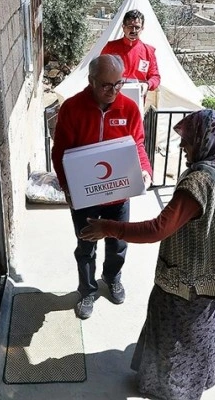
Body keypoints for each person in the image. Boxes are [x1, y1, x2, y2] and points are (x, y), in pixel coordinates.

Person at [80, 109, 215, 400]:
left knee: (174, 336)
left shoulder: (198, 184)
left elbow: (157, 229)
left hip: (184, 281)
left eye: (187, 142)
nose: (182, 148)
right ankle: (199, 381)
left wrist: (108, 228)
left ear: (204, 142)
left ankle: (173, 391)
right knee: (202, 332)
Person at [52, 54, 153, 320]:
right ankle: (87, 290)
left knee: (118, 242)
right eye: (105, 85)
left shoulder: (129, 108)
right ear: (91, 81)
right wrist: (67, 187)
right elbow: (60, 151)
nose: (113, 91)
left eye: (118, 84)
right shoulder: (72, 108)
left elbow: (138, 145)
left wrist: (144, 171)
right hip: (85, 196)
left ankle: (112, 277)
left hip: (118, 195)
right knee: (86, 245)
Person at [100, 9, 160, 96]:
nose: (134, 30)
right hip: (112, 97)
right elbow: (99, 71)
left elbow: (155, 76)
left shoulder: (149, 51)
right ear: (123, 27)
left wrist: (147, 84)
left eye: (137, 27)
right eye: (130, 26)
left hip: (137, 98)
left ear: (142, 28)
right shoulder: (110, 47)